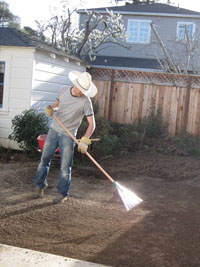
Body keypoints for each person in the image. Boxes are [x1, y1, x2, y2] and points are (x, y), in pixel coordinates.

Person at [34, 70, 98, 204]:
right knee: (44, 160)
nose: (82, 92)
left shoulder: (86, 102)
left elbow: (92, 124)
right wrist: (51, 108)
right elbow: (57, 106)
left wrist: (85, 139)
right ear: (76, 85)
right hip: (54, 131)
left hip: (68, 136)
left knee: (65, 167)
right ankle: (40, 185)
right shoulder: (63, 90)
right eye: (81, 89)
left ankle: (62, 193)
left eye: (84, 91)